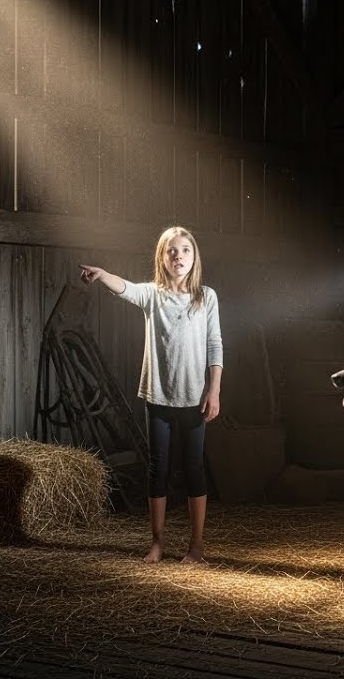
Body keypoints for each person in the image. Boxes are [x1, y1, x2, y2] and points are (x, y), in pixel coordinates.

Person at [79, 226, 224, 564]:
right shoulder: (153, 295)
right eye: (172, 251)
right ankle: (157, 543)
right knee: (157, 469)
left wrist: (214, 389)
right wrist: (101, 275)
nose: (179, 256)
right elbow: (125, 288)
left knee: (193, 469)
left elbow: (215, 344)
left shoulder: (206, 297)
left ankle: (196, 546)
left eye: (186, 250)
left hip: (195, 400)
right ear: (162, 257)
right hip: (158, 397)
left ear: (194, 257)